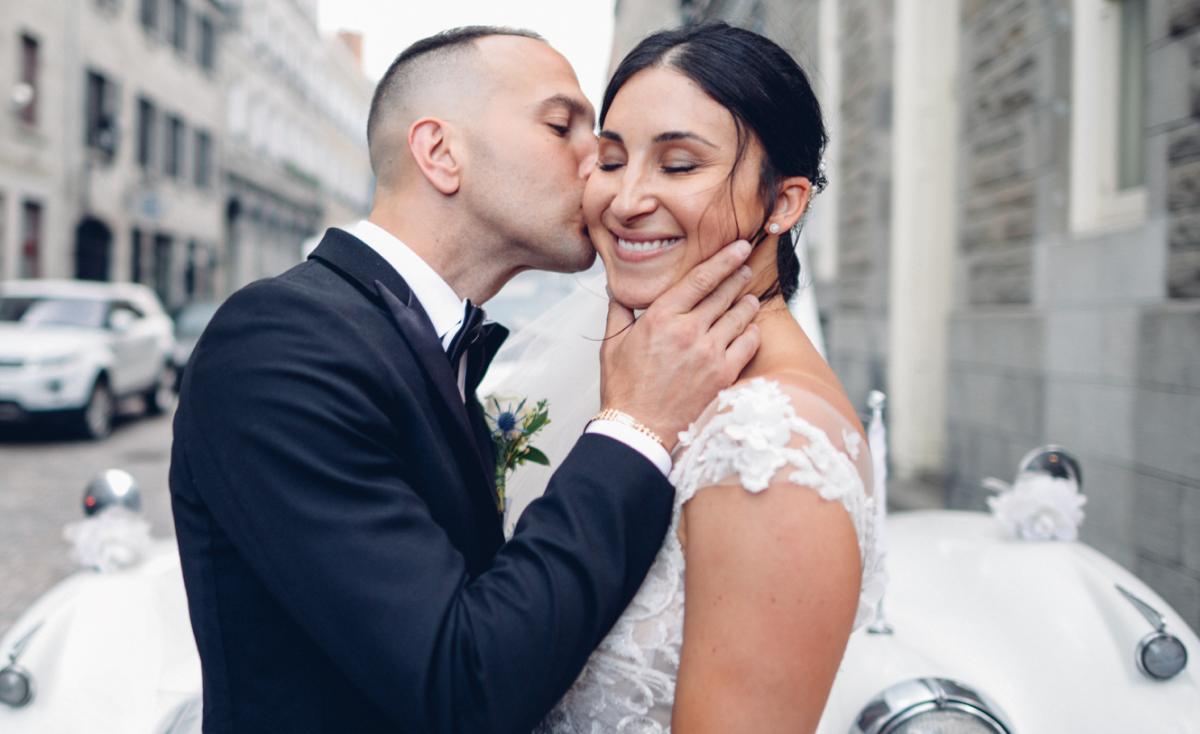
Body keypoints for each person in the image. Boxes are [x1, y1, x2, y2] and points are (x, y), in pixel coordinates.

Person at [168, 27, 763, 734]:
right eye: (561, 125)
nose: (601, 165)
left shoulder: (416, 339)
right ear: (441, 153)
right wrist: (635, 425)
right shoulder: (281, 342)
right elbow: (463, 682)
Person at [493, 24, 884, 733]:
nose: (627, 199)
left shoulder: (769, 445)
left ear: (785, 202)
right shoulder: (650, 381)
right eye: (610, 161)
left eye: (678, 166)